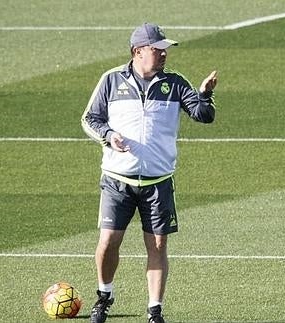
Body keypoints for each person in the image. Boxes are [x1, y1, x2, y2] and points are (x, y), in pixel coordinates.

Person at [80, 22, 218, 323]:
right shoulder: (111, 80)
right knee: (108, 242)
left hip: (158, 182)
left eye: (165, 50)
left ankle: (154, 310)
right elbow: (90, 118)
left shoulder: (175, 83)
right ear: (137, 52)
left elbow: (203, 116)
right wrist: (108, 135)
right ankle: (104, 296)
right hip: (118, 181)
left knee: (157, 245)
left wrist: (204, 95)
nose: (164, 54)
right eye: (158, 50)